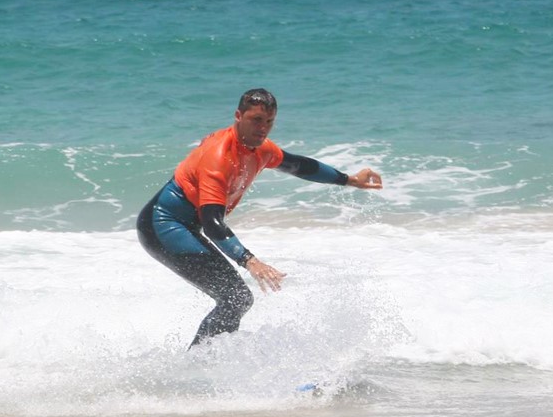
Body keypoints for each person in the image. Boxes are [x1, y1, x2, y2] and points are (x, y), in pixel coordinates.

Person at [136, 89, 382, 347]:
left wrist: (349, 180)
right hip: (163, 225)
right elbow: (211, 222)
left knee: (236, 298)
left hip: (189, 225)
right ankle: (195, 368)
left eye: (269, 122)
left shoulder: (261, 149)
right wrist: (249, 260)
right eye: (255, 120)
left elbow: (299, 166)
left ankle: (202, 366)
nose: (262, 128)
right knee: (236, 297)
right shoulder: (218, 157)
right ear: (238, 116)